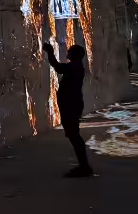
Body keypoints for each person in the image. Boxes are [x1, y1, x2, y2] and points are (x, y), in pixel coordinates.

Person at [43, 42, 92, 178]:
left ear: (75, 55)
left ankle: (84, 166)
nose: (67, 52)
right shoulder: (76, 66)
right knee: (73, 134)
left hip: (71, 105)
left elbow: (58, 67)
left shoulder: (74, 67)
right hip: (72, 104)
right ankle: (84, 165)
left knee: (74, 135)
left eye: (70, 51)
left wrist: (50, 52)